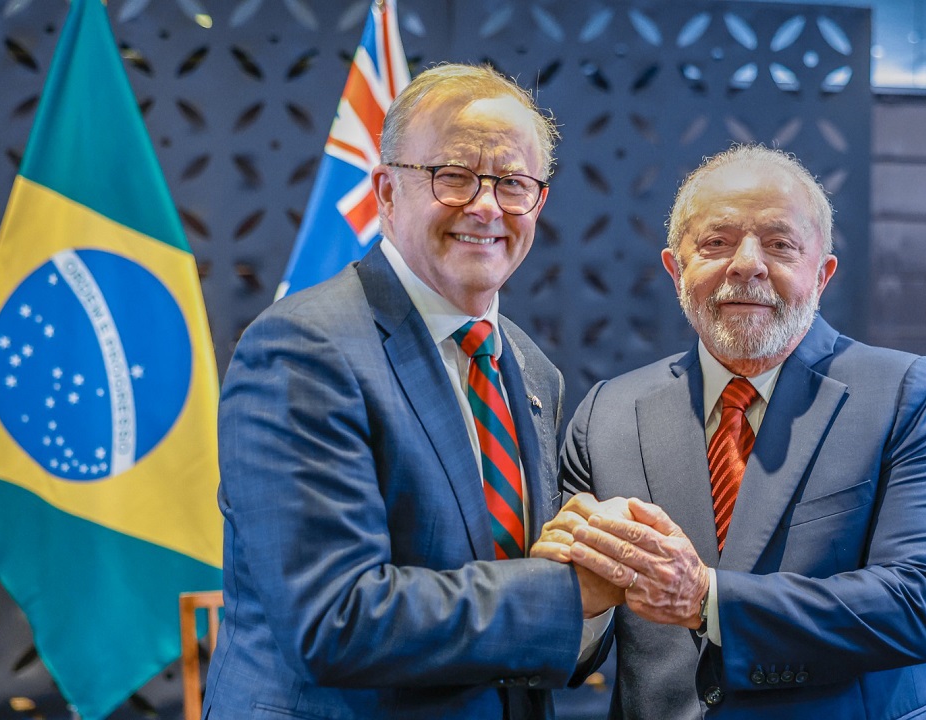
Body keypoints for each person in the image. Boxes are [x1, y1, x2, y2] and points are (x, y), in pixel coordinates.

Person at [201, 64, 615, 720]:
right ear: (386, 192)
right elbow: (335, 621)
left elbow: (540, 604)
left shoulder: (533, 371)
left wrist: (611, 572)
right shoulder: (303, 350)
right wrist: (569, 593)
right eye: (453, 175)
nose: (485, 205)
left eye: (512, 183)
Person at [537, 144, 926, 719]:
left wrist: (707, 599)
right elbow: (577, 636)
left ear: (823, 274)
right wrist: (577, 599)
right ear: (676, 269)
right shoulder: (607, 414)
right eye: (715, 243)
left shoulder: (905, 393)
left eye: (780, 244)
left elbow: (916, 607)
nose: (746, 264)